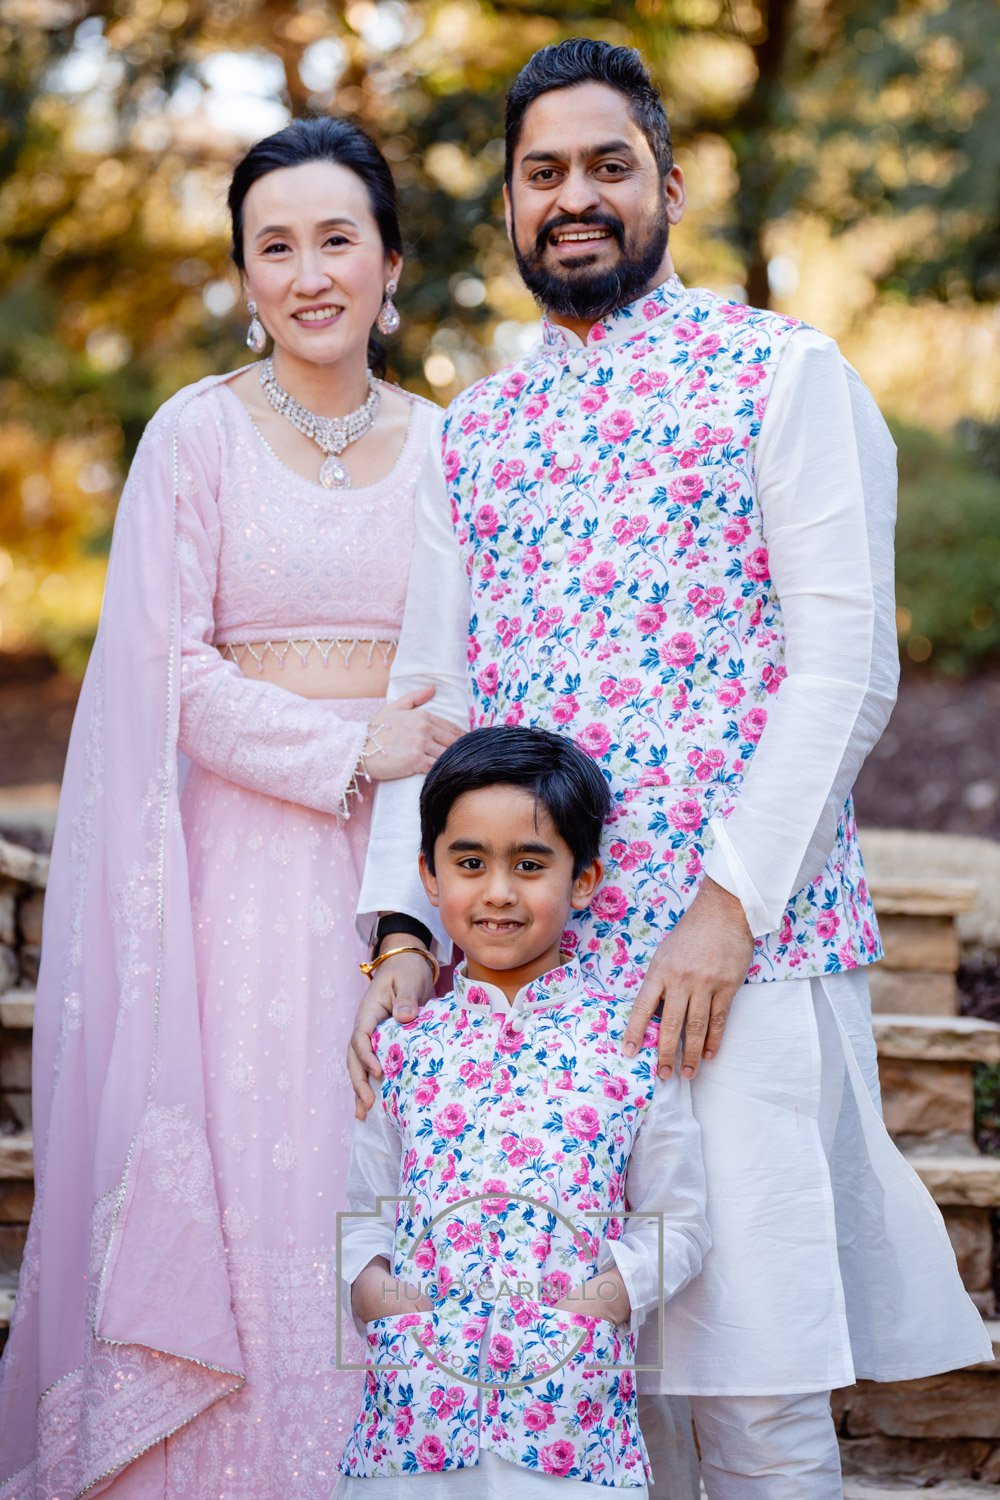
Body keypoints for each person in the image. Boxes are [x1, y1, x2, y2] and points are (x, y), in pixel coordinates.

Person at [348, 38, 993, 1500]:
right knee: (580, 1379)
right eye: (543, 173)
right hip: (535, 969)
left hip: (741, 958)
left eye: (606, 166)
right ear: (511, 208)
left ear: (669, 185)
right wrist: (403, 928)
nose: (575, 197)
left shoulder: (782, 373)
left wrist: (729, 900)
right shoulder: (481, 431)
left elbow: (848, 664)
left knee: (755, 1388)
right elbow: (430, 702)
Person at [0, 117, 462, 1497]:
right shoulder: (194, 435)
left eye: (338, 239)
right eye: (277, 246)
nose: (309, 272)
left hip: (398, 874)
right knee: (252, 1177)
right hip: (229, 883)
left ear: (389, 263)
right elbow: (165, 672)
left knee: (367, 1183)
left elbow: (456, 686)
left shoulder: (454, 446)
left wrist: (411, 883)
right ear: (245, 274)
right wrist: (347, 743)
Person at [335, 726, 709, 1496]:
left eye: (530, 864)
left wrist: (600, 1304)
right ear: (429, 878)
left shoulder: (631, 1048)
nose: (498, 891)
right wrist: (377, 1296)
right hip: (414, 1428)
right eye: (470, 863)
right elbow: (366, 1207)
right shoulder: (404, 1045)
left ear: (582, 881)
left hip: (570, 1431)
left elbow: (681, 1219)